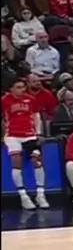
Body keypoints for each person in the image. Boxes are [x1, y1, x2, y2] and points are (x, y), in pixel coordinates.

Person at [2, 78, 49, 210]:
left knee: (37, 161)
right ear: (11, 89)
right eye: (18, 87)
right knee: (16, 162)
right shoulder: (4, 100)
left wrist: (39, 133)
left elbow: (36, 116)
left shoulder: (31, 99)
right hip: (12, 135)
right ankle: (23, 196)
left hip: (29, 135)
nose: (22, 90)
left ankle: (40, 194)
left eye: (23, 87)